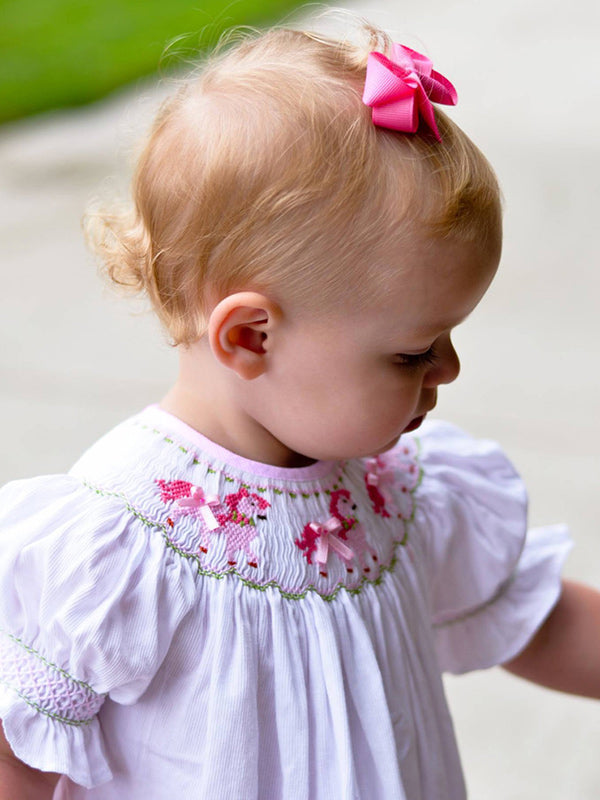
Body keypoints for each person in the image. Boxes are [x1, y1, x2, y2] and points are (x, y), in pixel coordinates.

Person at [0, 19, 598, 800]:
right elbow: (23, 748)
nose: (449, 368)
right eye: (414, 350)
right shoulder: (120, 548)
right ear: (251, 336)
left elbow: (540, 621)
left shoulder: (402, 495)